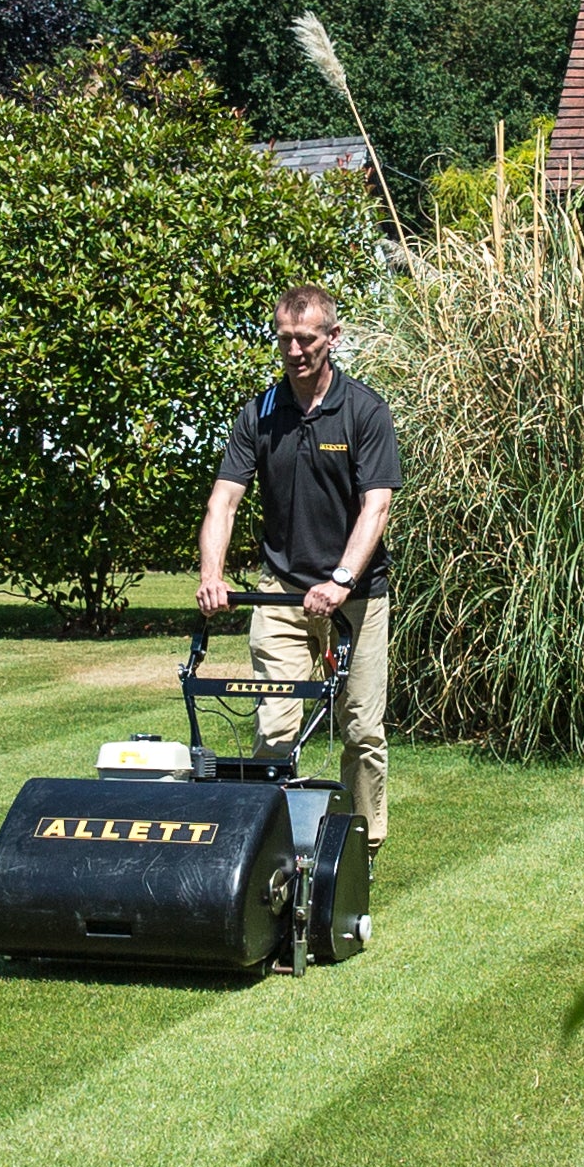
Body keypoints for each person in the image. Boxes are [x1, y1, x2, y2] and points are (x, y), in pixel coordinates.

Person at [196, 282, 397, 858]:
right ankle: (266, 852)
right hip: (281, 592)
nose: (294, 350)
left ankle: (362, 847)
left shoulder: (364, 411)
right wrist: (213, 574)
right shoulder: (260, 414)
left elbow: (376, 505)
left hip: (357, 597)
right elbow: (224, 501)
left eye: (305, 339)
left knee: (361, 729)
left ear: (332, 338)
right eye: (284, 339)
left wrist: (340, 581)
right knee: (276, 729)